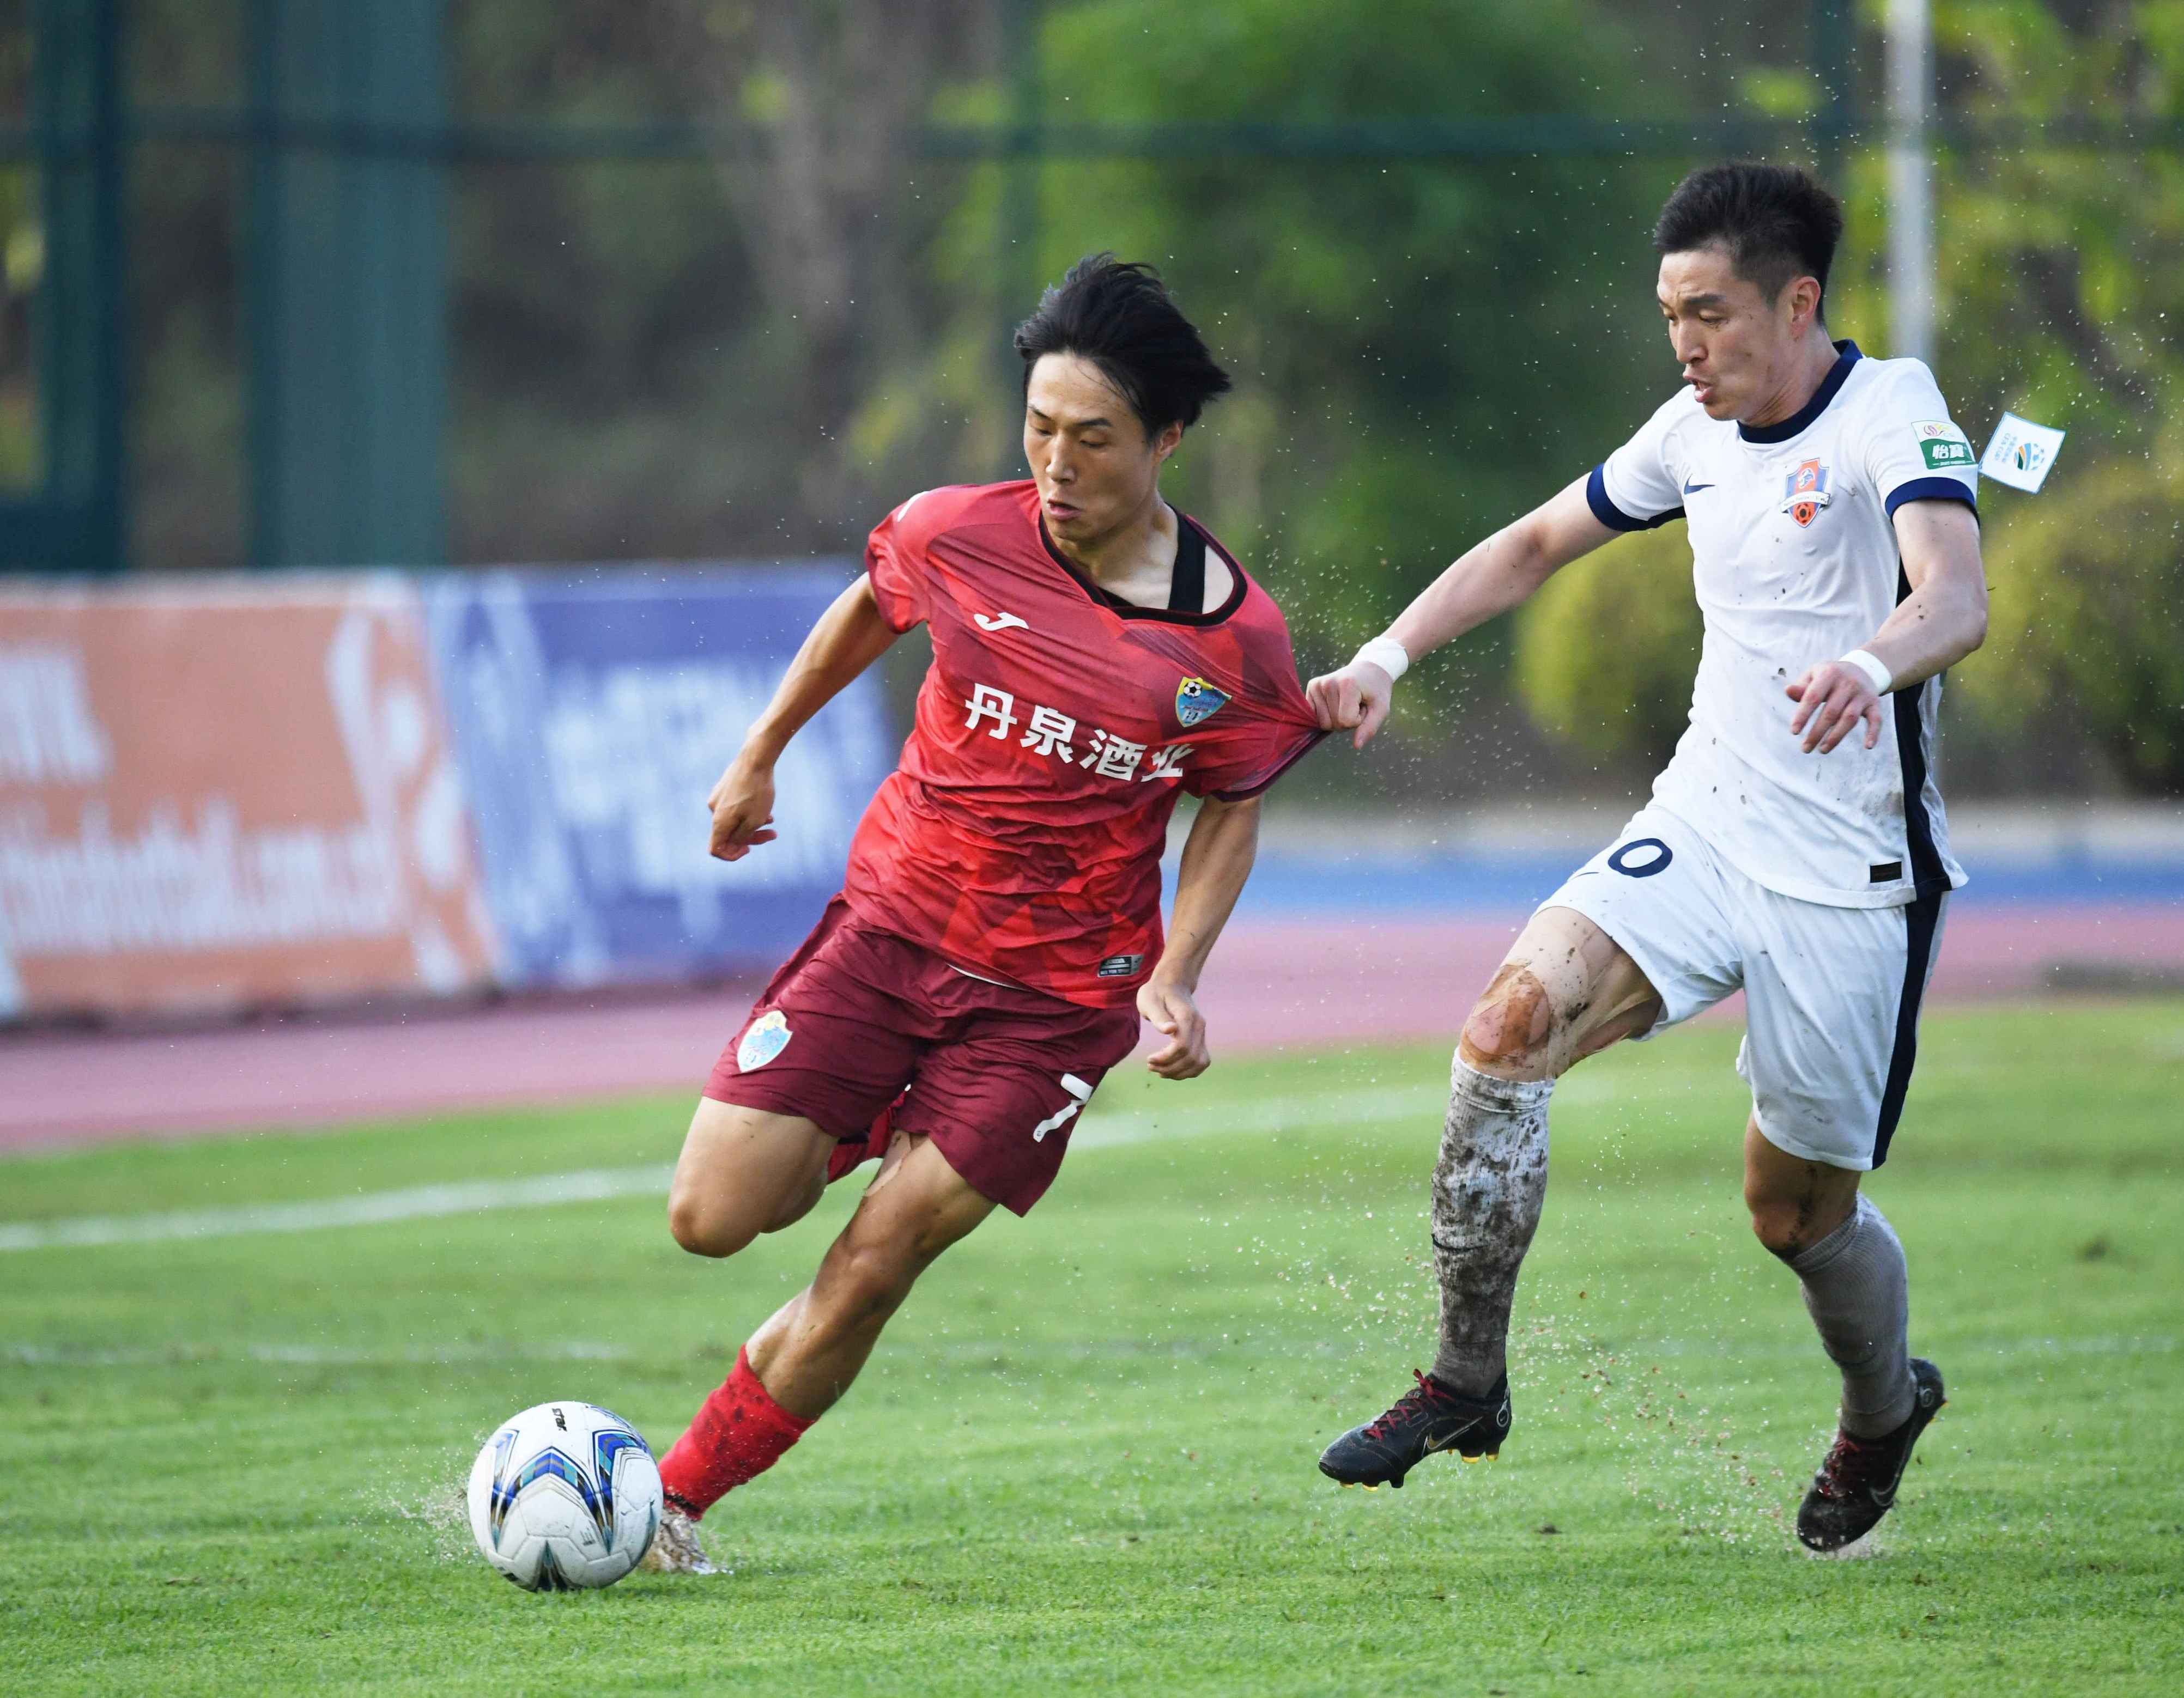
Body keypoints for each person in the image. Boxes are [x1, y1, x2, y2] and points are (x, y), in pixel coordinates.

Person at [1306, 162, 1986, 1553]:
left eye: (1709, 313)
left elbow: (1955, 596)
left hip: (1850, 874)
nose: (1684, 343)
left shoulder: (1891, 409)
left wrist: (1868, 661)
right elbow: (1534, 542)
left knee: (1793, 1215)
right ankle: (1465, 1378)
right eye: (1670, 314)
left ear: (1795, 302)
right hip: (1705, 819)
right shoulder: (1689, 432)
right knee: (1504, 1029)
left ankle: (1879, 1409)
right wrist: (1386, 654)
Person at [641, 256, 1325, 1574]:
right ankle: (871, 1117)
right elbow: (870, 606)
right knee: (710, 1215)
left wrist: (1177, 974)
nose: (1056, 464)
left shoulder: (1235, 642)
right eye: (1038, 428)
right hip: (887, 934)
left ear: (1167, 440)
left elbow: (1229, 807)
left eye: (1093, 438)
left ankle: (673, 1502)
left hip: (1052, 1007)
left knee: (876, 1257)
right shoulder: (955, 531)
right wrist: (759, 752)